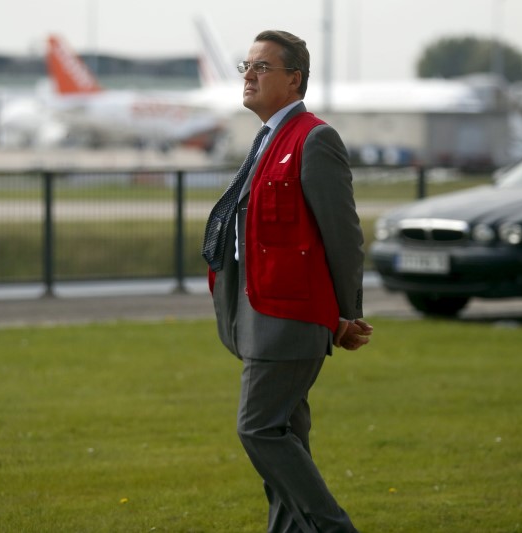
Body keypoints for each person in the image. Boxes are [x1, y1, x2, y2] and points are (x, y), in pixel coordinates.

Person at [201, 30, 373, 533]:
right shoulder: (267, 138)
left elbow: (343, 236)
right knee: (285, 438)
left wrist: (345, 313)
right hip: (258, 315)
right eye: (246, 66)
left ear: (294, 79)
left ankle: (333, 528)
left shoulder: (314, 139)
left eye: (262, 67)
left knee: (257, 429)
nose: (249, 75)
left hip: (289, 318)